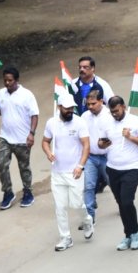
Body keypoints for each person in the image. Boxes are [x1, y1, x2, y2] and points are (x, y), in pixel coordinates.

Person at [98, 96, 138, 251]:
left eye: (116, 111)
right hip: (112, 168)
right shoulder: (106, 121)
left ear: (123, 106)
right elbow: (101, 144)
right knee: (121, 203)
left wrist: (130, 137)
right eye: (112, 112)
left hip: (131, 168)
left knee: (127, 201)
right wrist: (101, 144)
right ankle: (127, 235)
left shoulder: (135, 121)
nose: (114, 114)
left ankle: (135, 232)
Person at [41, 94, 91, 251]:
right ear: (59, 107)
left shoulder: (79, 122)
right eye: (67, 108)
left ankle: (87, 220)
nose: (70, 111)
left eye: (72, 108)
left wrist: (80, 166)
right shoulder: (51, 123)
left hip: (74, 171)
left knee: (76, 204)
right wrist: (48, 153)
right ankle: (65, 238)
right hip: (57, 172)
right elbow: (44, 142)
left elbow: (86, 146)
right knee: (60, 207)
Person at [0, 67, 39, 210]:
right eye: (5, 80)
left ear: (16, 80)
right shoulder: (1, 93)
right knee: (1, 164)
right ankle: (8, 192)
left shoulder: (26, 95)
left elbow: (34, 115)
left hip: (22, 139)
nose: (7, 83)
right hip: (5, 137)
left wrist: (32, 134)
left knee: (24, 167)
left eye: (10, 80)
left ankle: (28, 192)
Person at [81, 89, 112, 225]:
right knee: (88, 186)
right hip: (91, 158)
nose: (90, 107)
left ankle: (123, 206)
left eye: (93, 103)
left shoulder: (111, 115)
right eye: (88, 104)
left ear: (101, 101)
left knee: (114, 184)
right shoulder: (84, 117)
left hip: (109, 157)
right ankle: (90, 217)